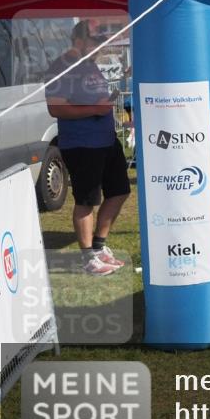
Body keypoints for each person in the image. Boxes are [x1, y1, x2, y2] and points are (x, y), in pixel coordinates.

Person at [44, 21, 129, 276]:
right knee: (86, 200)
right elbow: (55, 108)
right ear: (79, 41)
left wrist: (120, 84)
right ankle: (88, 258)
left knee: (119, 192)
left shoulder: (90, 65)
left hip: (106, 140)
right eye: (96, 42)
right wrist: (94, 109)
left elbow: (99, 101)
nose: (101, 47)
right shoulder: (61, 67)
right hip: (82, 144)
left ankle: (99, 247)